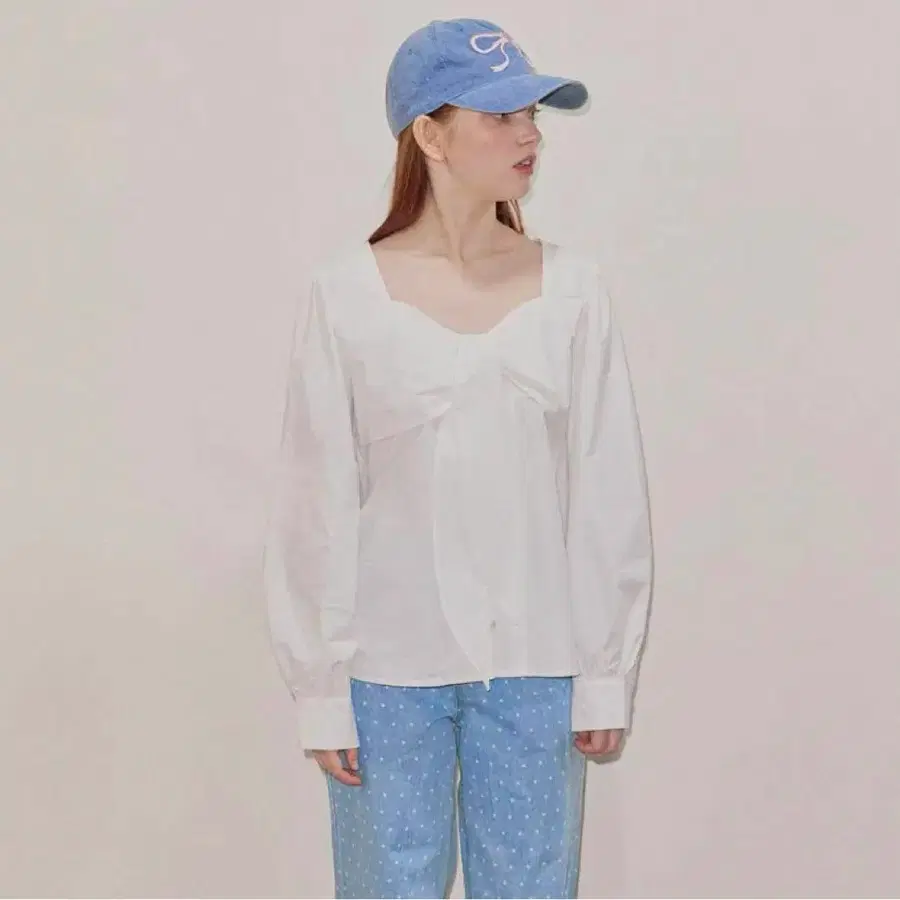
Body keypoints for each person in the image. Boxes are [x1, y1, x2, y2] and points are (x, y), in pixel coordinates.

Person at [262, 16, 654, 900]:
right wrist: (320, 687)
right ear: (430, 135)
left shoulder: (572, 289)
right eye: (500, 116)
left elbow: (606, 489)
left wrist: (604, 675)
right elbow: (314, 499)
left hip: (536, 659)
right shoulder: (346, 294)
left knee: (531, 885)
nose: (529, 136)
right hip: (385, 668)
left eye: (532, 114)